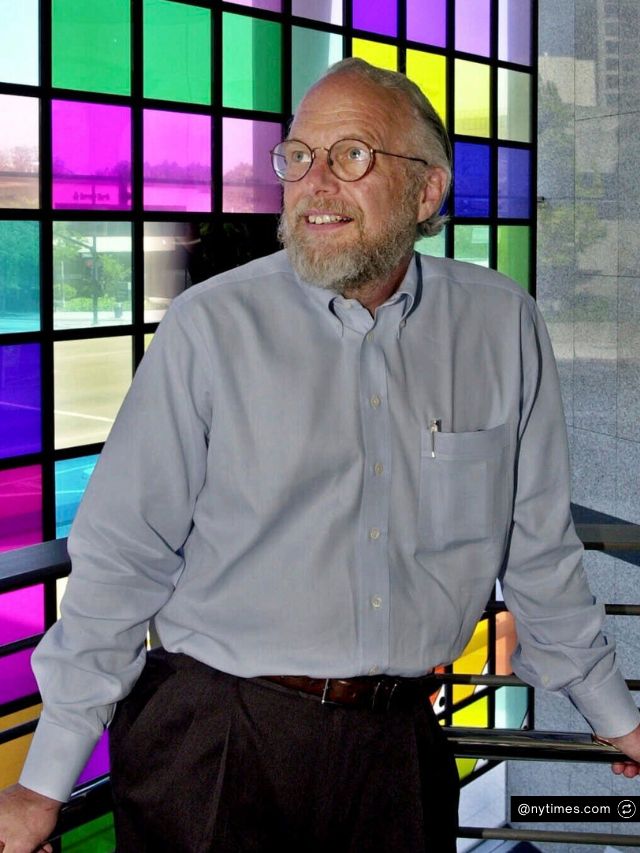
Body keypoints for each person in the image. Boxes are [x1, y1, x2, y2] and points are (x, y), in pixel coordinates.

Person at [1, 57, 639, 853]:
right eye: (298, 157)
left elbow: (540, 551)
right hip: (215, 743)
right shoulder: (212, 327)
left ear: (427, 191)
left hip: (401, 749)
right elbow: (122, 559)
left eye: (352, 156)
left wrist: (618, 717)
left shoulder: (502, 326)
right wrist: (42, 782)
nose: (315, 182)